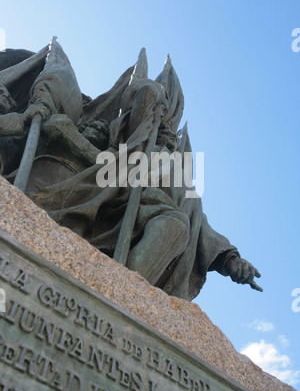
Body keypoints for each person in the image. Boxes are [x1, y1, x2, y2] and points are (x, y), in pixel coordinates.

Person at [0, 39, 262, 301]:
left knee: (176, 222)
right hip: (66, 195)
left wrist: (229, 258)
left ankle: (118, 301)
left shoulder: (159, 159)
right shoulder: (83, 132)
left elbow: (191, 208)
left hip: (122, 214)